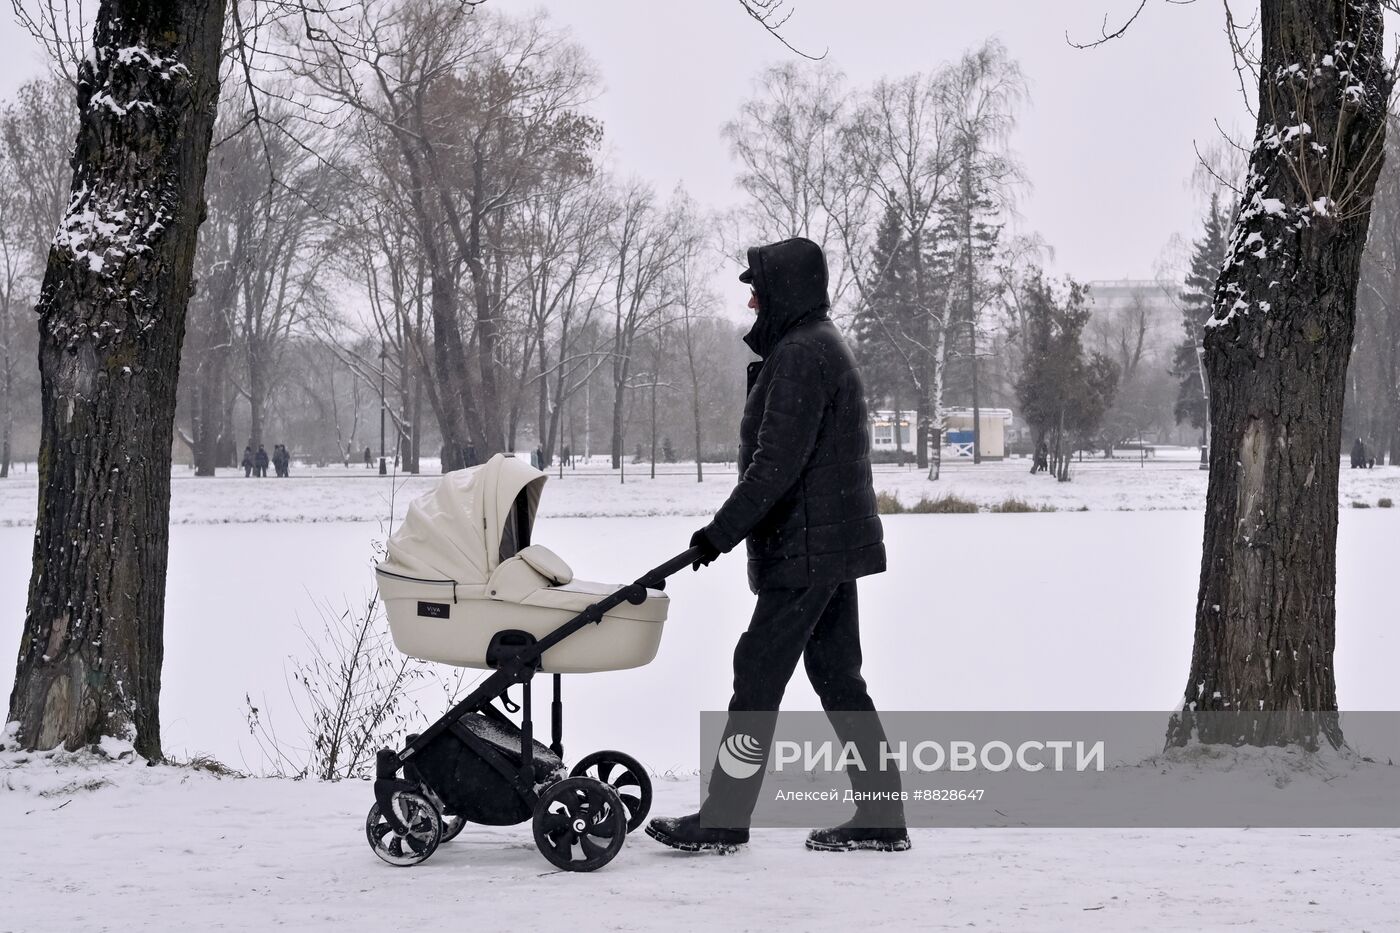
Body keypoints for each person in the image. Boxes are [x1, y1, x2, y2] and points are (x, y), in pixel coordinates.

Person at [647, 236, 908, 855]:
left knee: (760, 670)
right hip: (827, 543)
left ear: (787, 289)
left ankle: (726, 815)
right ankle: (881, 814)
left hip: (809, 548)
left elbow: (774, 468)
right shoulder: (815, 345)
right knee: (839, 677)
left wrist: (718, 534)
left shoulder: (800, 355)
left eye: (758, 287)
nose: (752, 297)